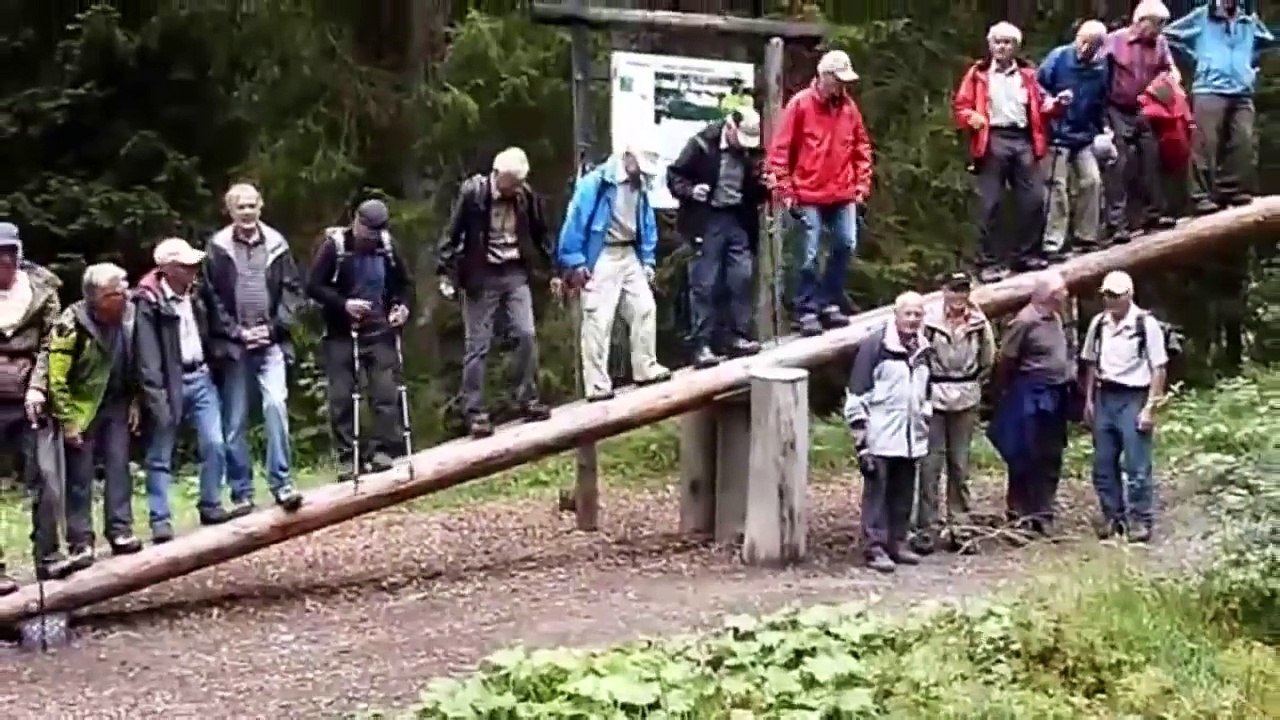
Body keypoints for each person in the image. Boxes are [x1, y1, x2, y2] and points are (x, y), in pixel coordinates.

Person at [202, 183, 304, 512]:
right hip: (235, 346)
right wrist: (236, 333)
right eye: (240, 207)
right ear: (229, 210)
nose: (247, 212)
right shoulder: (217, 248)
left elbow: (292, 291)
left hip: (271, 343)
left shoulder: (277, 244)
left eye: (251, 206)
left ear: (261, 206)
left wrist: (274, 330)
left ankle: (282, 483)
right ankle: (241, 491)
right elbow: (211, 298)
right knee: (235, 422)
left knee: (276, 407)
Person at [438, 147, 554, 437]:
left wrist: (552, 270)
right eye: (512, 183)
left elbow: (541, 235)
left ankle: (527, 398)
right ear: (498, 175)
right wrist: (446, 273)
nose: (516, 189)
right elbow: (452, 235)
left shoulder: (525, 197)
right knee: (478, 344)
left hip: (515, 270)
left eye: (519, 183)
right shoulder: (474, 194)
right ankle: (475, 412)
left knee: (526, 334)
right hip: (482, 274)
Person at [766, 49, 873, 336]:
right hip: (807, 193)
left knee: (845, 244)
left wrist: (861, 187)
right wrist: (785, 191)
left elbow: (862, 148)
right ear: (824, 77)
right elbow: (779, 152)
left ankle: (828, 301)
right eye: (838, 80)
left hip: (843, 192)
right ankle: (805, 309)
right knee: (808, 254)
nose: (843, 86)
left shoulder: (849, 109)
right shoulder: (800, 105)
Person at [135, 239, 235, 543]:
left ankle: (210, 503)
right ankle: (160, 520)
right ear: (166, 268)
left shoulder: (198, 292)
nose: (193, 270)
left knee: (215, 443)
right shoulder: (148, 302)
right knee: (160, 454)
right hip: (169, 383)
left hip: (201, 374)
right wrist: (156, 398)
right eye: (185, 265)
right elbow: (148, 358)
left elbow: (219, 323)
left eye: (193, 264)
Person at [307, 199, 413, 479]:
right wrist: (344, 305)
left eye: (376, 231)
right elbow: (314, 286)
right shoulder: (335, 247)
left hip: (379, 331)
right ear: (356, 221)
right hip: (341, 333)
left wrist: (401, 306)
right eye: (367, 230)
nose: (370, 237)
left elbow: (403, 283)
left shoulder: (388, 247)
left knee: (384, 392)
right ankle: (348, 457)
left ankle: (383, 451)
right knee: (341, 396)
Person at [558, 138, 671, 400]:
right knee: (599, 319)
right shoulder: (596, 183)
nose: (643, 172)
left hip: (629, 251)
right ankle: (597, 385)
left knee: (645, 308)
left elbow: (646, 223)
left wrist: (648, 259)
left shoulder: (641, 185)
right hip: (601, 253)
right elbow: (574, 222)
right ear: (628, 157)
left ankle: (646, 367)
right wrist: (575, 261)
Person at [46, 262, 143, 565]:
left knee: (118, 467)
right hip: (81, 407)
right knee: (80, 477)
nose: (125, 295)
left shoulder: (128, 316)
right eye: (118, 292)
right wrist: (68, 420)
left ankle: (120, 530)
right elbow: (56, 377)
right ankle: (80, 542)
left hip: (116, 401)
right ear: (99, 298)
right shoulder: (71, 323)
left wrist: (136, 399)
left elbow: (136, 362)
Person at [953, 21, 1056, 281]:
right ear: (990, 45)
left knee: (1034, 199)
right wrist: (971, 117)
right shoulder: (978, 74)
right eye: (997, 42)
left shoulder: (1028, 76)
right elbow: (961, 107)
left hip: (1023, 139)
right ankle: (988, 263)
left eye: (1007, 42)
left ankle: (1027, 255)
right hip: (992, 138)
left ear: (1015, 47)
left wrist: (1056, 105)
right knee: (991, 204)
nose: (1001, 47)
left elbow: (1041, 106)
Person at [667, 107, 766, 367]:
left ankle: (736, 336)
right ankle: (701, 344)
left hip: (738, 219)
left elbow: (756, 191)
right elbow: (674, 176)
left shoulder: (751, 151)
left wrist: (765, 185)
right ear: (731, 127)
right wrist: (690, 190)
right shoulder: (702, 144)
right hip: (707, 218)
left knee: (741, 277)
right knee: (704, 283)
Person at [843, 291, 933, 574]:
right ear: (896, 314)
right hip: (880, 435)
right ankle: (875, 547)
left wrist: (924, 423)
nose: (913, 319)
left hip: (911, 437)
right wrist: (862, 445)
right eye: (908, 313)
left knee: (904, 493)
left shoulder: (924, 348)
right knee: (877, 495)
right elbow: (857, 395)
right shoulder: (876, 345)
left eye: (918, 314)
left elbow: (926, 391)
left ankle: (897, 542)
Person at [1165, 0, 1276, 215]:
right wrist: (1195, 58)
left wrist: (1250, 68)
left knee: (1243, 139)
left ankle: (1232, 190)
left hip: (1241, 90)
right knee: (1205, 144)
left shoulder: (1248, 22)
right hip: (1209, 89)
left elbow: (1268, 41)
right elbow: (1169, 34)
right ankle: (1201, 196)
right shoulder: (1201, 17)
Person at [1080, 271, 1167, 542]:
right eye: (1107, 295)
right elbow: (1091, 363)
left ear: (1129, 295)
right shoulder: (1099, 324)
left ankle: (1140, 520)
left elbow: (1159, 368)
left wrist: (1150, 407)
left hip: (1134, 395)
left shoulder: (1146, 324)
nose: (1110, 300)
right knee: (1103, 463)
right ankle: (1112, 517)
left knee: (1137, 464)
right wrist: (1089, 400)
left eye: (1116, 295)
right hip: (1106, 394)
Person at [987, 270, 1074, 538]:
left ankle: (1043, 512)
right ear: (1048, 296)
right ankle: (1019, 513)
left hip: (1056, 394)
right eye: (1062, 293)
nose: (1066, 296)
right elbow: (1006, 360)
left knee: (1051, 453)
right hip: (1029, 393)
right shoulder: (1025, 321)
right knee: (1024, 453)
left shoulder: (1057, 318)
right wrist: (1004, 392)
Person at [0, 223, 63, 590]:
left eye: (7, 258)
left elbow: (52, 344)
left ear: (17, 256)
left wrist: (39, 387)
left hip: (30, 395)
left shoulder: (43, 290)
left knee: (46, 479)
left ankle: (48, 558)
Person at [913, 272, 995, 552]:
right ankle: (926, 529)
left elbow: (988, 361)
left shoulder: (979, 323)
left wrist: (973, 385)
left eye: (963, 291)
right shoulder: (929, 322)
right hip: (934, 396)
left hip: (966, 396)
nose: (959, 297)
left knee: (960, 465)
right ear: (944, 291)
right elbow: (919, 358)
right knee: (929, 465)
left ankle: (961, 528)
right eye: (954, 290)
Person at [1037, 20, 1114, 259]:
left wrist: (1105, 128)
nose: (1084, 48)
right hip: (1056, 132)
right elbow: (1036, 86)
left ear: (1099, 46)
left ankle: (1086, 237)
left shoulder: (1101, 68)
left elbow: (1101, 101)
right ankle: (1052, 243)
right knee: (1056, 187)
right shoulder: (1058, 57)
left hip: (1084, 134)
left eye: (1091, 45)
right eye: (1082, 41)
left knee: (1092, 181)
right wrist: (1052, 100)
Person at [1102, 0, 1178, 242]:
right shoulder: (1115, 40)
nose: (1160, 30)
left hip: (1145, 107)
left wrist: (1167, 81)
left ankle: (1154, 214)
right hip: (1115, 107)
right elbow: (1096, 70)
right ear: (1141, 22)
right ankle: (1118, 224)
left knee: (1151, 157)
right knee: (1120, 163)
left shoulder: (1160, 43)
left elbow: (1170, 69)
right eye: (1157, 24)